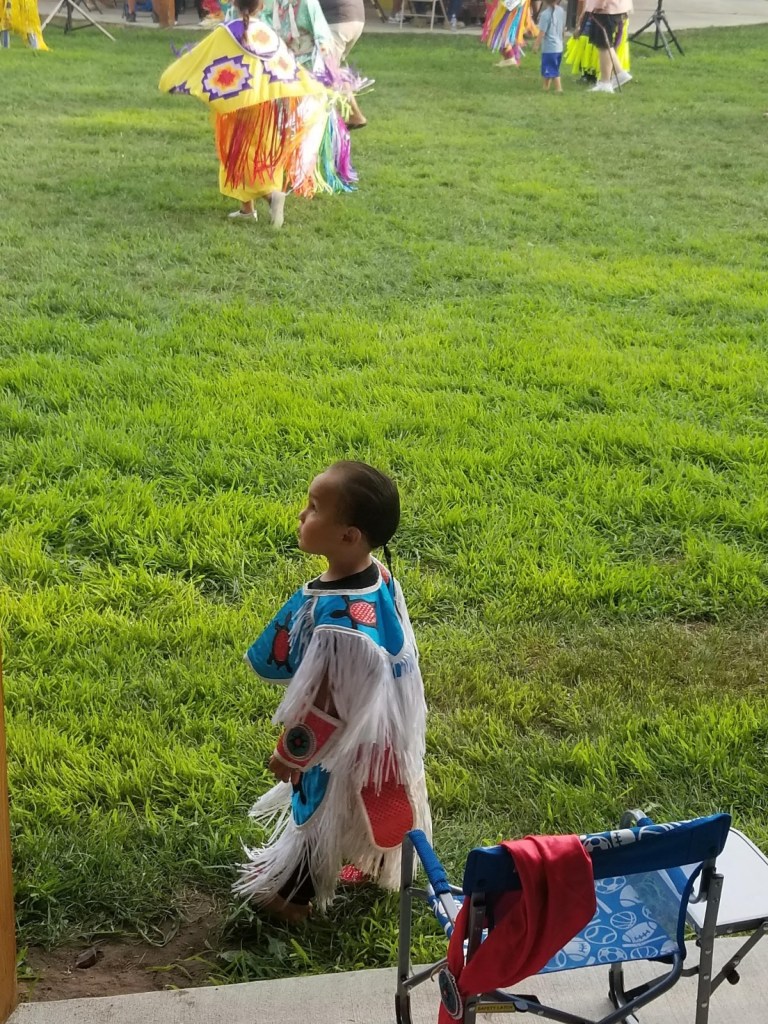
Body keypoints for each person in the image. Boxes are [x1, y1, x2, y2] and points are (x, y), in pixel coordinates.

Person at [234, 461, 431, 921]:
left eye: (315, 508)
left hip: (346, 747)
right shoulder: (379, 576)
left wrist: (294, 753)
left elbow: (329, 705)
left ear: (349, 536)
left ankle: (291, 901)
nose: (302, 515)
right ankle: (369, 859)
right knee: (369, 803)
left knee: (319, 812)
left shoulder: (339, 622)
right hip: (382, 736)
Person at [159, 0, 328, 227]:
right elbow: (287, 65)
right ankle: (246, 209)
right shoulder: (267, 33)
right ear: (261, 7)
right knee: (258, 152)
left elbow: (199, 57)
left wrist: (175, 80)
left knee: (239, 154)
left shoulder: (227, 33)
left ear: (235, 5)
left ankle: (271, 196)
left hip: (237, 106)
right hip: (265, 107)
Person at [318, 0, 367, 127]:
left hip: (337, 20)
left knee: (324, 72)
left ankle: (325, 122)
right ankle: (352, 115)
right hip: (355, 17)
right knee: (333, 69)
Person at [581, 0, 632, 92]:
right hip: (614, 7)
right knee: (605, 44)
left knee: (603, 45)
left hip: (606, 8)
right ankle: (619, 73)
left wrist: (600, 4)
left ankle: (606, 83)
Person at [482, 0, 535, 67]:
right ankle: (515, 58)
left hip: (512, 4)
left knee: (501, 31)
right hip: (516, 4)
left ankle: (510, 58)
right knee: (511, 32)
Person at [533, 0, 565, 92]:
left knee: (552, 69)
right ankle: (545, 87)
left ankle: (559, 89)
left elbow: (542, 32)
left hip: (550, 48)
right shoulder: (561, 11)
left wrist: (536, 45)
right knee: (550, 67)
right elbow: (562, 27)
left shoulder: (545, 14)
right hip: (559, 47)